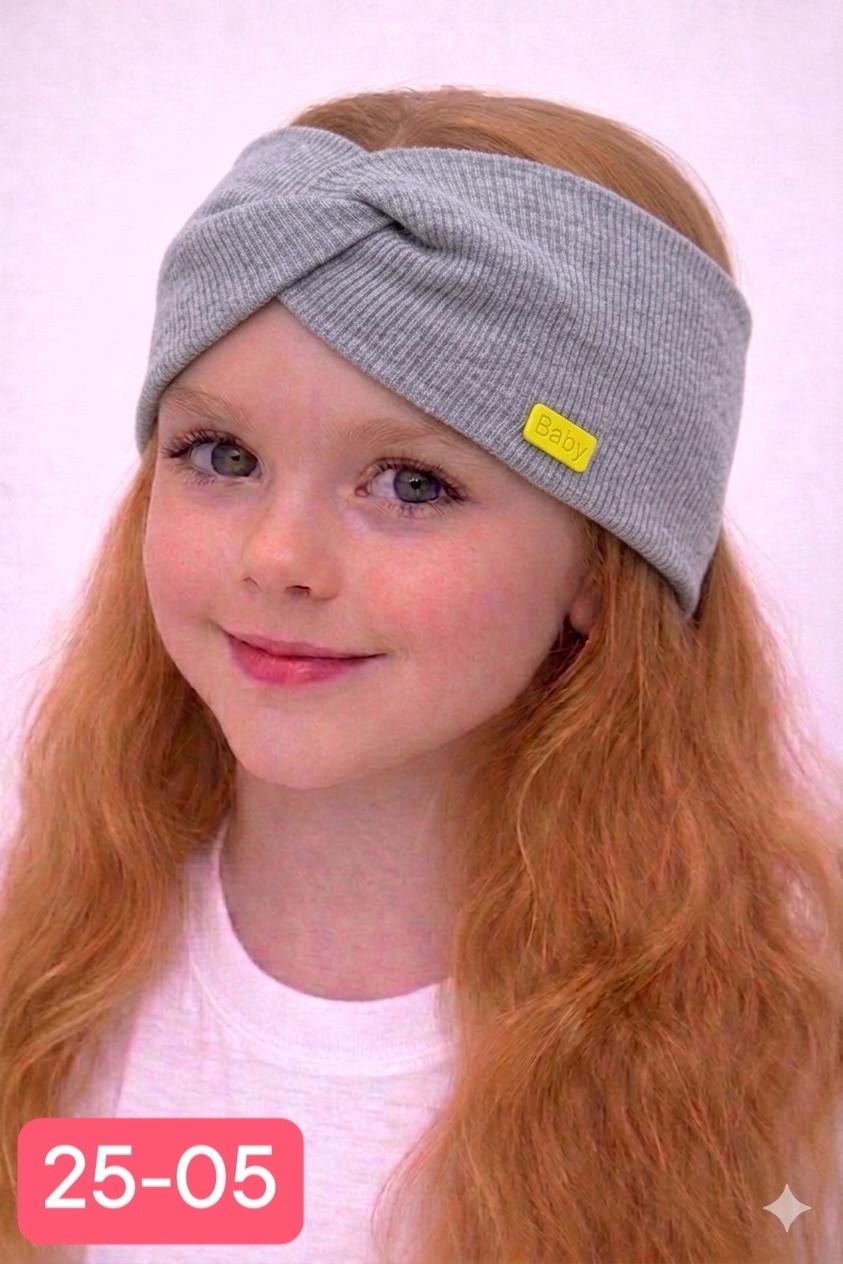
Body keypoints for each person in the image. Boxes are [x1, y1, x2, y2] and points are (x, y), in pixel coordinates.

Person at [1, 85, 841, 1264]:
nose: (278, 557)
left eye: (412, 483)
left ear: (603, 562)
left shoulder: (784, 1074)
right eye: (223, 455)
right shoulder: (49, 984)